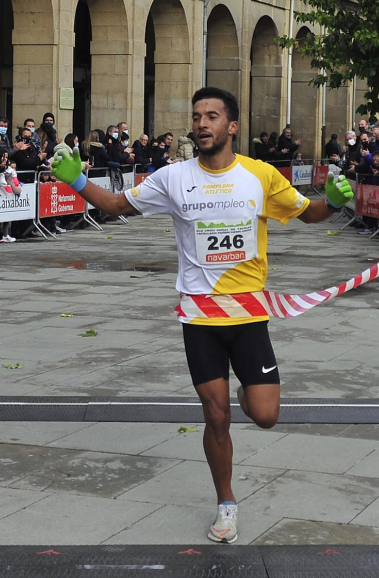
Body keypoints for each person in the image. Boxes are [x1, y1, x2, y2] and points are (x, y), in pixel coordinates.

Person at [48, 87, 354, 544]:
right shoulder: (174, 178)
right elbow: (116, 207)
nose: (202, 124)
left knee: (266, 415)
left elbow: (308, 214)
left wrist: (333, 201)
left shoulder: (260, 175)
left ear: (232, 126)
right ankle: (226, 502)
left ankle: (250, 397)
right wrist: (75, 181)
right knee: (216, 416)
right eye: (196, 116)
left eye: (212, 116)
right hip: (200, 317)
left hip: (248, 313)